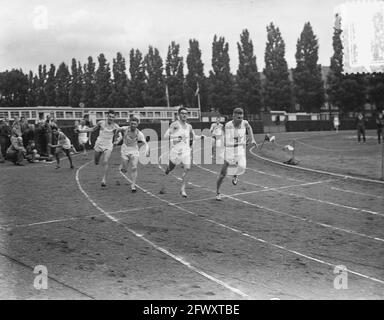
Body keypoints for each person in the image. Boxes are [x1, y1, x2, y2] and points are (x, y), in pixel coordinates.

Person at [160, 107, 203, 198]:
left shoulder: (189, 126)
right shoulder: (175, 124)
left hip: (186, 151)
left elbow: (194, 137)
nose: (184, 115)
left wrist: (201, 137)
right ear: (179, 115)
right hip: (175, 151)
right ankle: (164, 180)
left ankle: (182, 189)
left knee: (187, 169)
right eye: (182, 113)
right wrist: (177, 138)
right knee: (170, 168)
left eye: (186, 113)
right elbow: (166, 136)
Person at [216, 108, 257, 201]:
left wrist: (252, 139)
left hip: (239, 149)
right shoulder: (228, 125)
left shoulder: (245, 123)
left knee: (242, 167)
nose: (240, 119)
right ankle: (218, 192)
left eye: (241, 117)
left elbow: (249, 127)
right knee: (222, 174)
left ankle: (235, 174)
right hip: (229, 149)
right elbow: (225, 140)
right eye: (238, 117)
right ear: (233, 116)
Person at [78, 110, 120, 187]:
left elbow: (120, 135)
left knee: (105, 161)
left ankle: (104, 179)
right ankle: (97, 159)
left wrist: (116, 141)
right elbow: (92, 129)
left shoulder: (116, 126)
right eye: (109, 116)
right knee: (96, 161)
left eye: (112, 117)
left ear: (114, 118)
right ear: (107, 116)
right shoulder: (101, 123)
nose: (111, 118)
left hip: (108, 145)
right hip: (99, 143)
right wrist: (81, 131)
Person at [115, 116, 150, 192]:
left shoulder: (139, 133)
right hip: (125, 150)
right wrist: (115, 139)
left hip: (134, 150)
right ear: (129, 123)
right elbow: (117, 130)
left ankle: (133, 185)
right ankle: (124, 168)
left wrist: (147, 151)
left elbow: (145, 143)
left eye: (135, 124)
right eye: (132, 123)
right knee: (124, 169)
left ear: (137, 125)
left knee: (134, 167)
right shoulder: (125, 129)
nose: (133, 125)